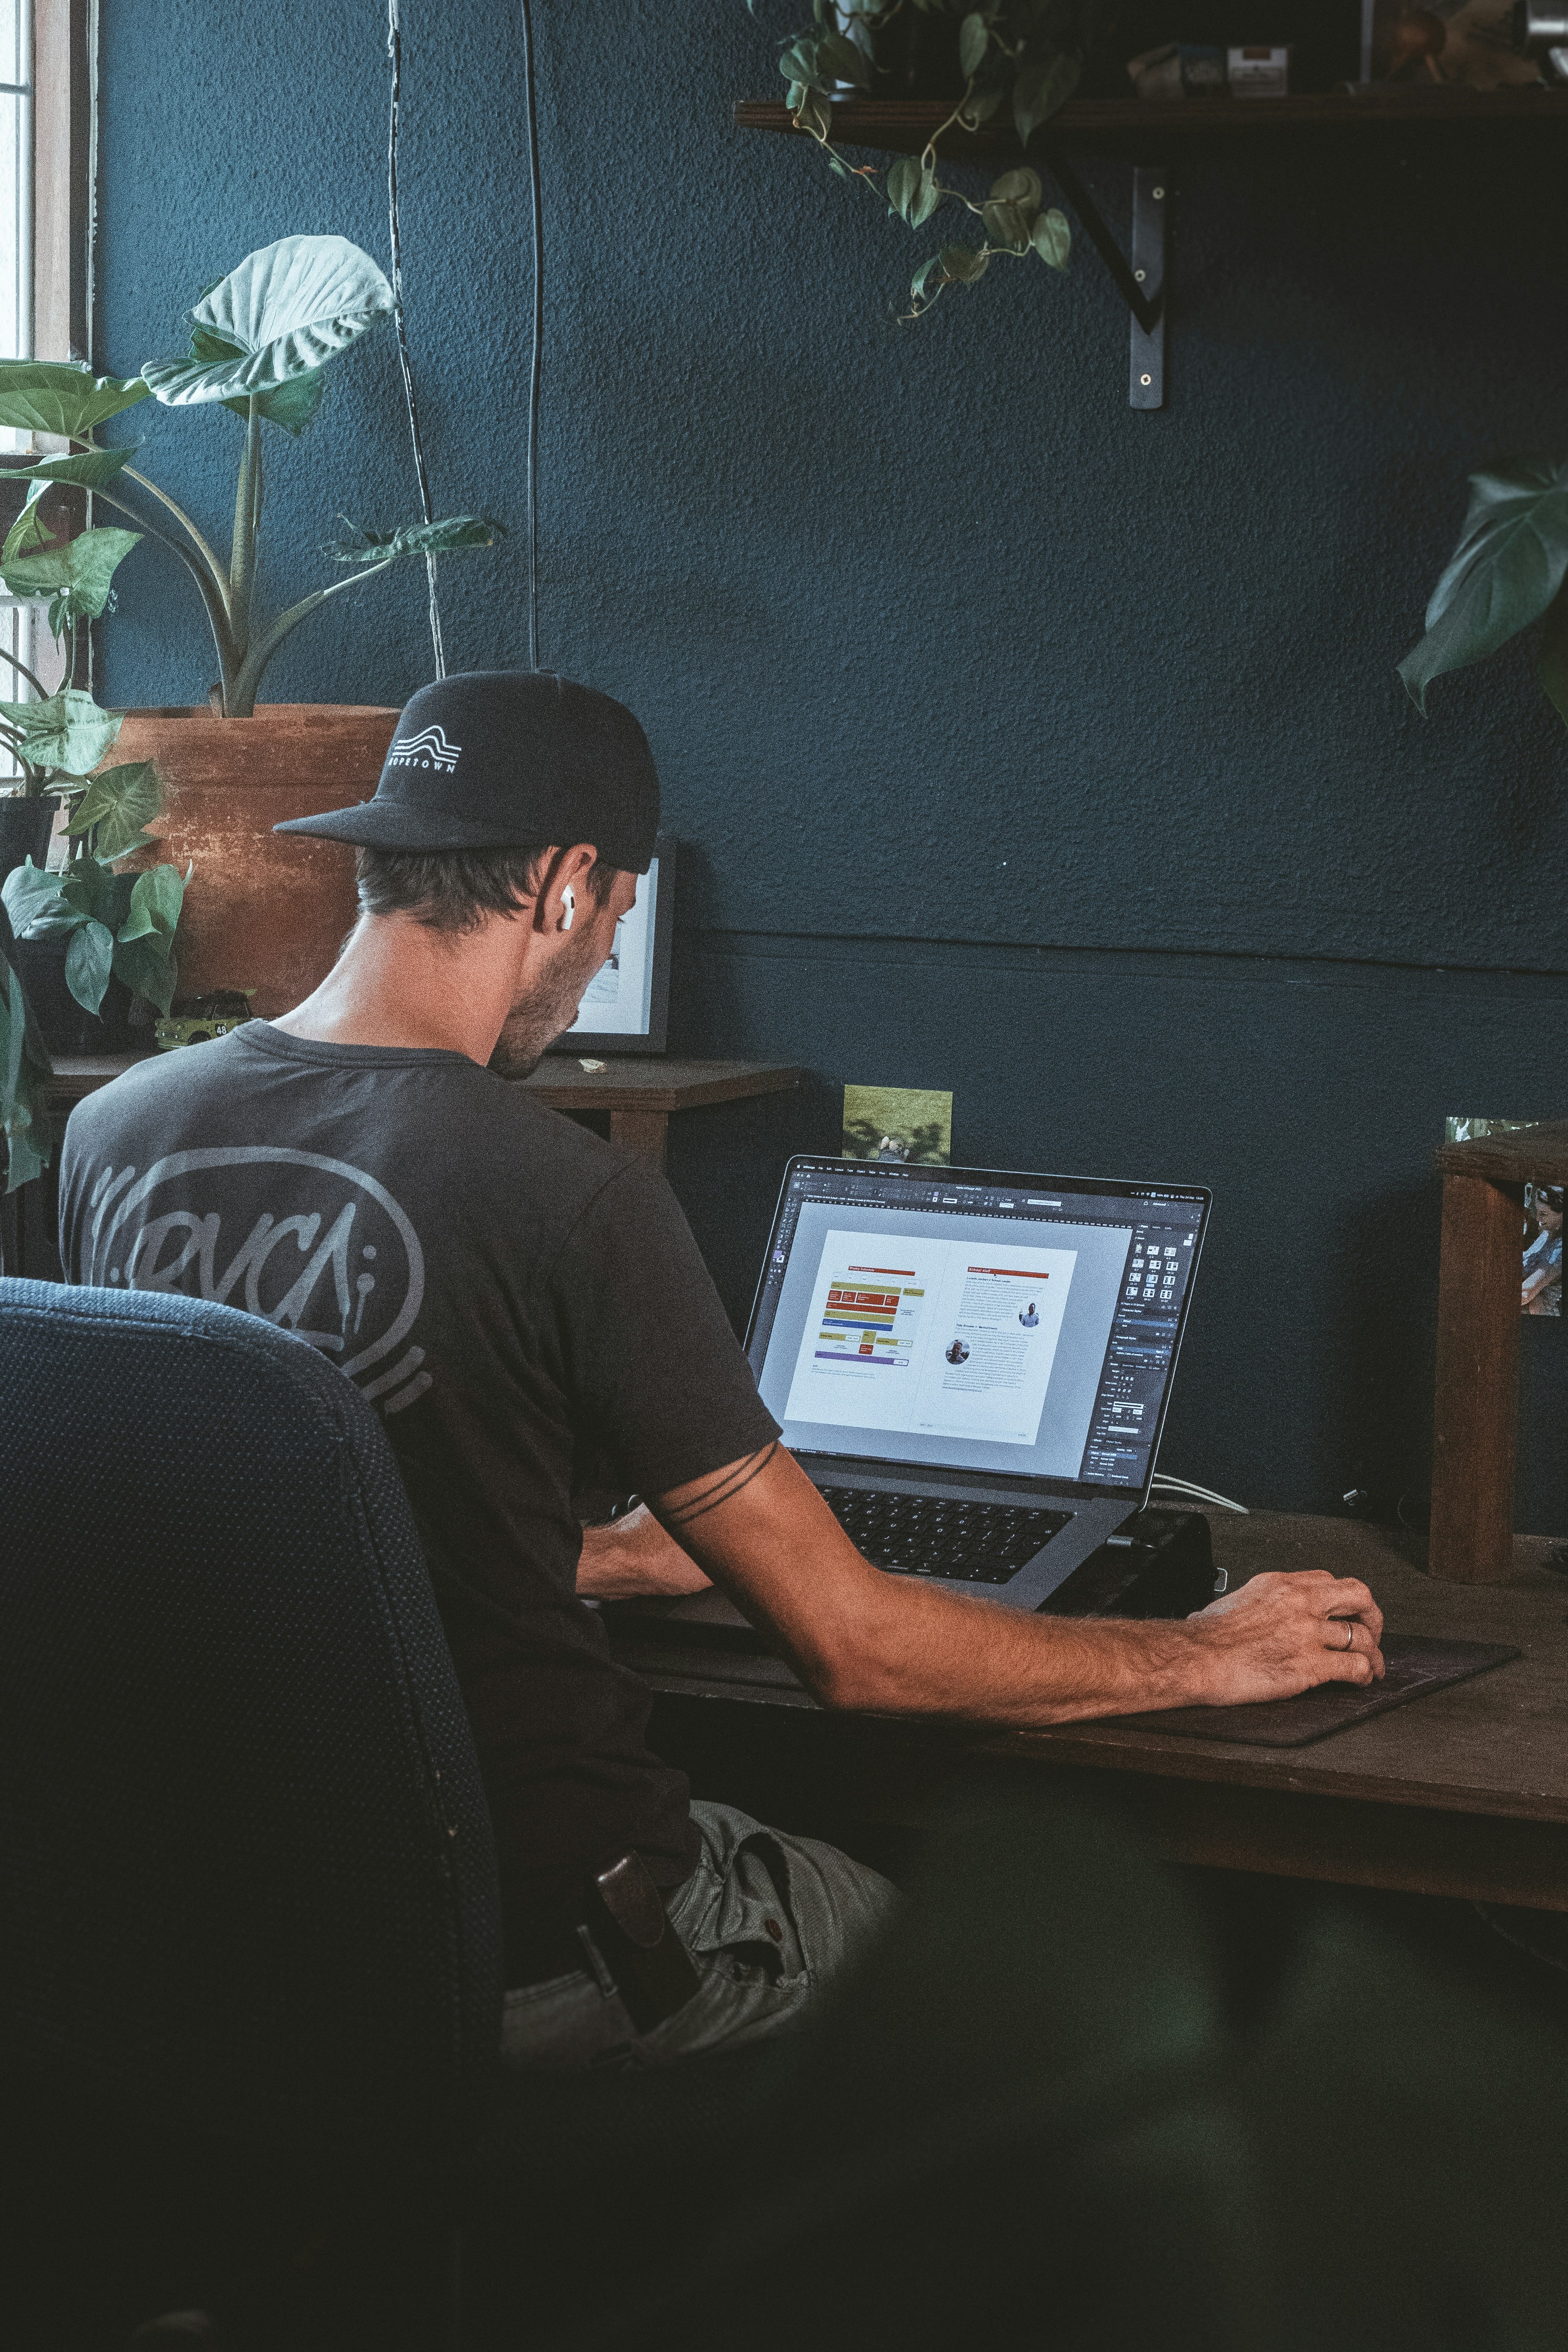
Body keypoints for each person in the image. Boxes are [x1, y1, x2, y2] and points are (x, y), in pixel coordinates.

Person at [56, 671, 1385, 2072]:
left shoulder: (119, 1132)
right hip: (545, 1948)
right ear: (567, 886)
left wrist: (607, 1557)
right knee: (1008, 1995)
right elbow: (857, 1650)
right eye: (617, 910)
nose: (594, 959)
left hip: (229, 1947)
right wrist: (1196, 1648)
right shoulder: (565, 1191)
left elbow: (270, 1514)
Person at [1522, 1186, 1562, 1316]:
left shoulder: (1560, 1251)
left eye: (1544, 1214)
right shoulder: (1547, 1233)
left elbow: (1525, 1293)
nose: (1538, 1218)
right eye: (1538, 1211)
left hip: (1540, 1325)